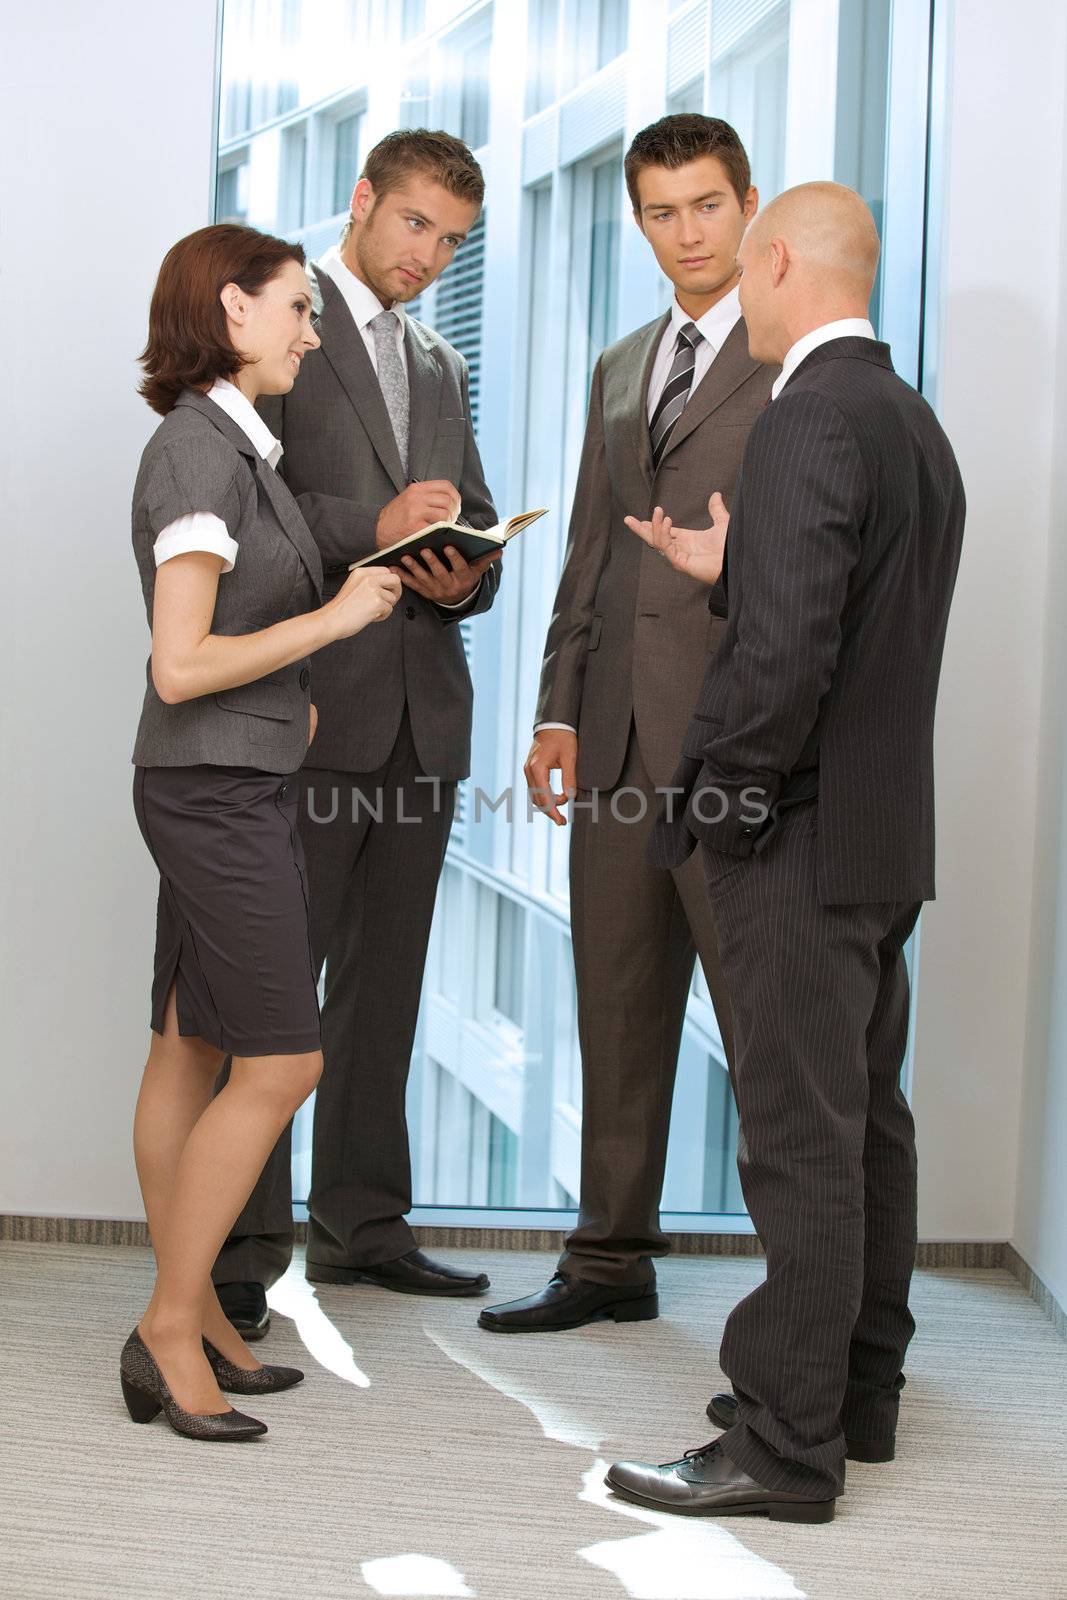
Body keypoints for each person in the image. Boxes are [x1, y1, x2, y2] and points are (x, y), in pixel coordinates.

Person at [605, 183, 965, 1521]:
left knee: (796, 1142)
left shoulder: (803, 417)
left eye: (737, 266)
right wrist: (737, 562)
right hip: (879, 839)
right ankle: (851, 1394)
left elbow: (785, 657)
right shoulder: (902, 418)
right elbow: (844, 609)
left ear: (770, 262)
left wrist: (724, 807)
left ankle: (780, 1444)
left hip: (798, 844)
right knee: (864, 1123)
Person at [480, 116, 775, 1335]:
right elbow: (590, 562)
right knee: (615, 1002)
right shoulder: (618, 364)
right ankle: (608, 1261)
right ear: (637, 219)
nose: (685, 233)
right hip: (610, 745)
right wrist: (555, 713)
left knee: (765, 1030)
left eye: (705, 205)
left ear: (746, 205)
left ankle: (803, 1303)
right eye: (660, 211)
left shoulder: (798, 355)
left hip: (736, 744)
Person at [213, 130, 500, 1339]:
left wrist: (460, 574)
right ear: (363, 200)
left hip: (421, 719)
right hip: (309, 709)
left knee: (385, 992)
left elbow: (470, 510)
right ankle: (236, 1252)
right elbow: (249, 490)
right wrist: (369, 523)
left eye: (452, 241)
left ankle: (362, 1229)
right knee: (276, 997)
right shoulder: (284, 317)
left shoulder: (437, 358)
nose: (428, 256)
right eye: (415, 226)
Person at [124, 224, 401, 1441]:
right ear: (231, 311)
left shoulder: (241, 449)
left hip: (226, 779)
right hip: (213, 790)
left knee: (189, 1049)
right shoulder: (198, 456)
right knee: (283, 1060)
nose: (312, 327)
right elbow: (180, 664)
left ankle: (196, 1318)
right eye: (296, 307)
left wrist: (290, 690)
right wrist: (334, 624)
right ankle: (171, 1326)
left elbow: (221, 651)